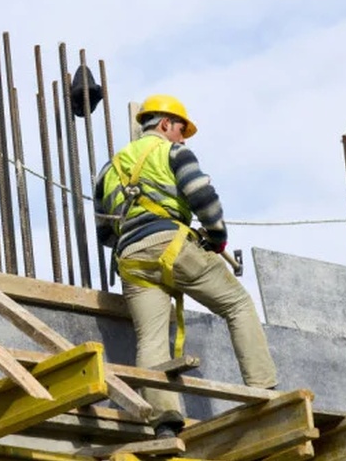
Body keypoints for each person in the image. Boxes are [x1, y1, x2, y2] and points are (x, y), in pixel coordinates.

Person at [94, 94, 277, 438]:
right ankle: (264, 390)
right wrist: (217, 237)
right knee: (238, 305)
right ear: (164, 124)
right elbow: (202, 197)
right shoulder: (173, 152)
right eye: (181, 129)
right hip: (173, 246)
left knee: (150, 339)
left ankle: (164, 422)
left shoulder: (109, 169)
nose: (183, 137)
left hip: (131, 259)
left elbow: (104, 232)